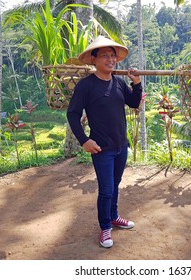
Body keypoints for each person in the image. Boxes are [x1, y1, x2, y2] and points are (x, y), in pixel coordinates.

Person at [67, 36, 142, 248]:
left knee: (115, 185)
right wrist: (84, 141)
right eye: (104, 56)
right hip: (102, 149)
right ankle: (105, 228)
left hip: (121, 146)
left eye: (112, 56)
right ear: (94, 59)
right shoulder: (86, 86)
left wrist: (136, 84)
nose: (110, 60)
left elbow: (134, 102)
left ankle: (114, 216)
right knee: (106, 189)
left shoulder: (118, 82)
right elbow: (72, 114)